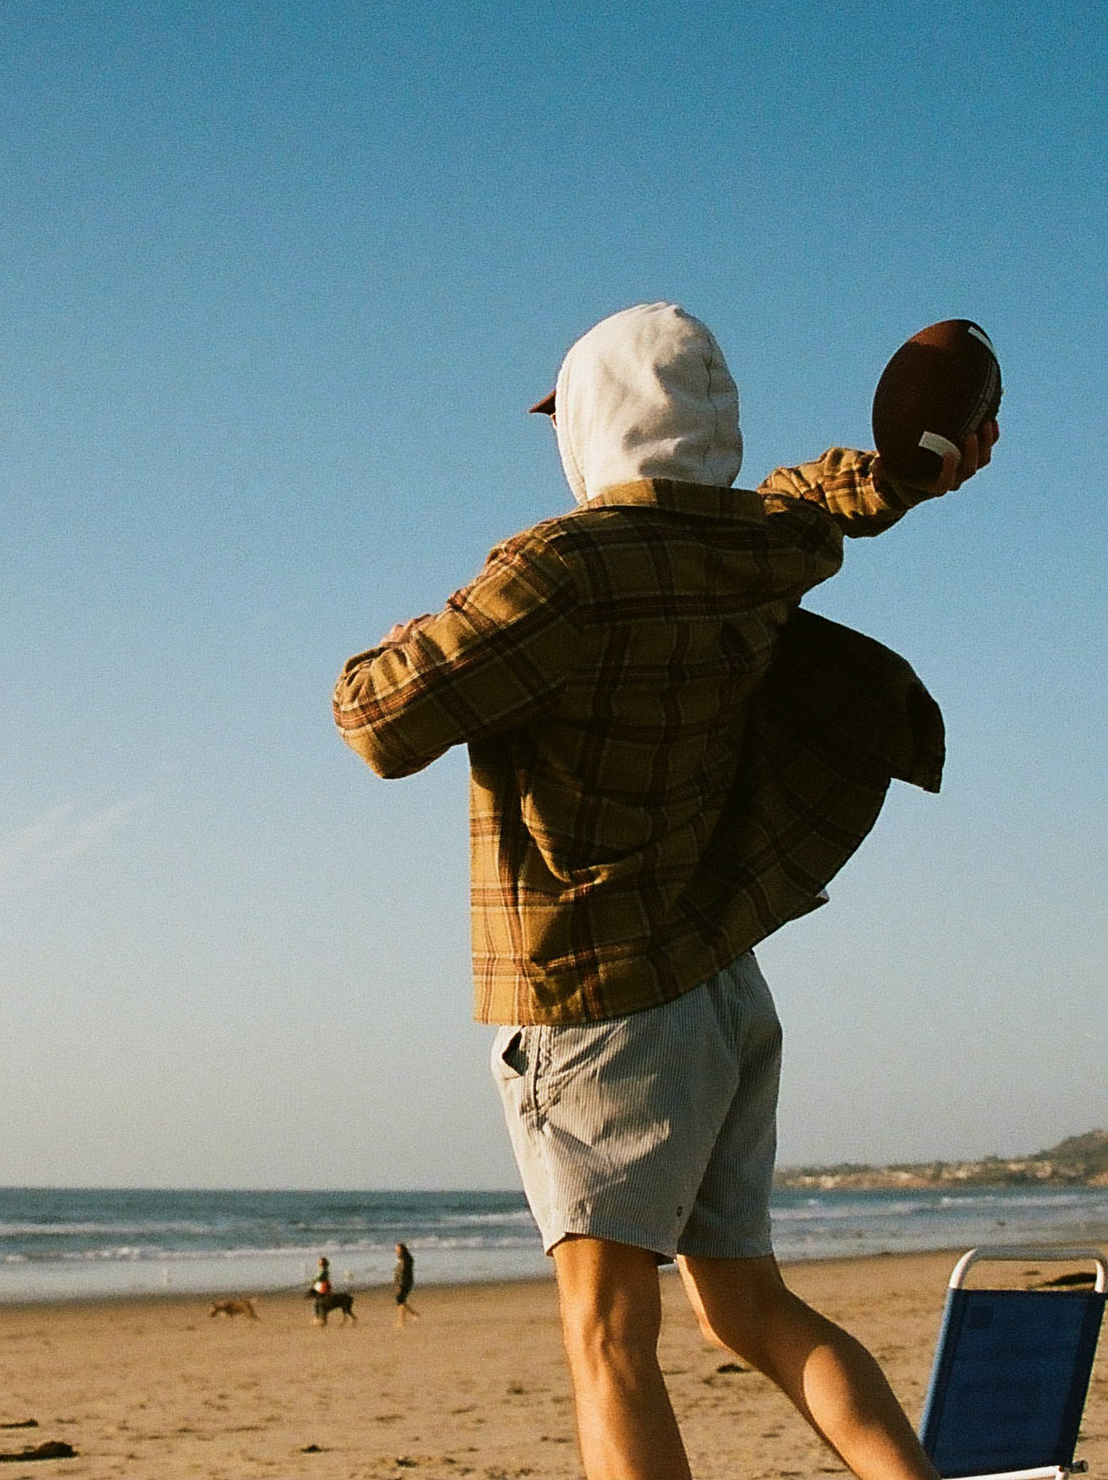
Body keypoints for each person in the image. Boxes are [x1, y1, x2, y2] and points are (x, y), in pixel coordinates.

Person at [335, 304, 996, 1480]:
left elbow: (382, 722)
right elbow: (831, 493)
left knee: (609, 1342)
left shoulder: (564, 568)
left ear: (589, 425)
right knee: (749, 1310)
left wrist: (386, 647)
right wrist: (916, 468)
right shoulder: (760, 544)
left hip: (600, 998)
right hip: (721, 992)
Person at [393, 1243, 420, 1326]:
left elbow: (403, 1273)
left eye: (398, 1250)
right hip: (403, 1282)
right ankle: (413, 1314)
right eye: (396, 1250)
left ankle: (403, 1320)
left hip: (404, 1283)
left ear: (402, 1250)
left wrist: (400, 1285)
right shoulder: (403, 1259)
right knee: (401, 1301)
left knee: (400, 1301)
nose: (396, 1251)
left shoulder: (405, 1260)